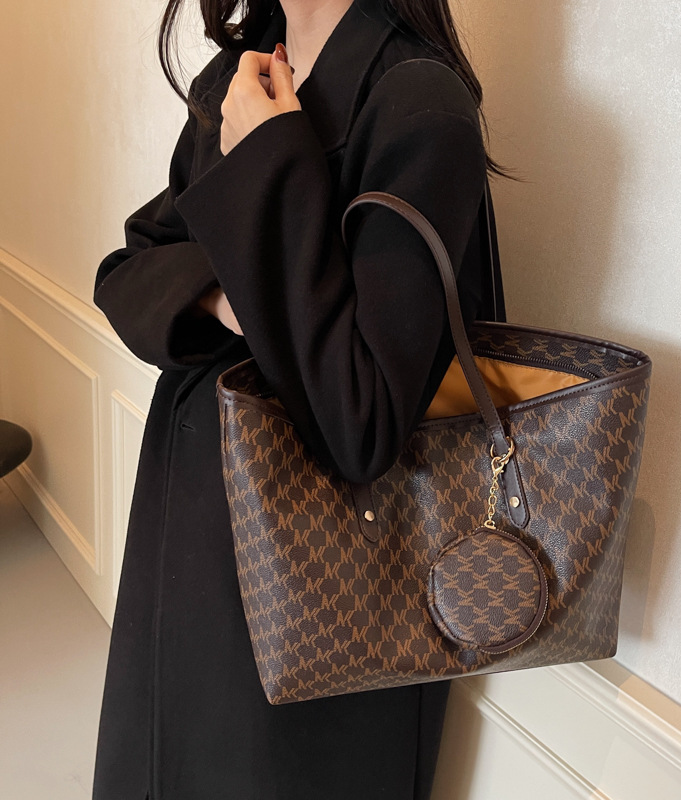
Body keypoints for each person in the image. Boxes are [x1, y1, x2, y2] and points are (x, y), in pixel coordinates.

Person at [91, 0, 505, 797]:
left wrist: (272, 156)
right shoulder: (237, 76)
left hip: (318, 604)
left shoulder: (420, 102)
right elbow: (129, 272)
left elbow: (361, 422)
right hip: (184, 561)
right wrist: (224, 299)